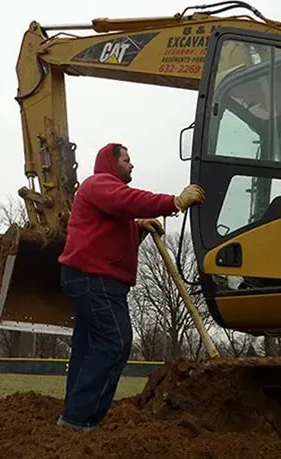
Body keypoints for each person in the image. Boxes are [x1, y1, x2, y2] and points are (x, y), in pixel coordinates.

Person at [56, 142, 204, 431]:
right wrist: (173, 202)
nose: (131, 164)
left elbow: (110, 239)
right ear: (112, 164)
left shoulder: (108, 199)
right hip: (94, 279)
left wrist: (138, 229)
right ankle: (80, 419)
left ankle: (73, 416)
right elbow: (129, 201)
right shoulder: (99, 184)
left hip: (89, 277)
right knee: (115, 342)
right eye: (126, 160)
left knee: (88, 348)